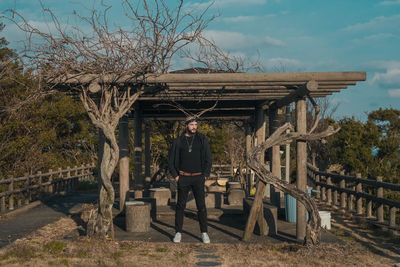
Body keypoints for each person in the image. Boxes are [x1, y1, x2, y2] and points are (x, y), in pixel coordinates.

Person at [168, 116, 212, 243]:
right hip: (183, 177)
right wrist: (176, 175)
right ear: (186, 125)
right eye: (192, 124)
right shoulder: (178, 141)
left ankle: (204, 233)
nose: (194, 127)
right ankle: (178, 232)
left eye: (196, 125)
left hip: (199, 177)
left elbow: (208, 159)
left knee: (201, 206)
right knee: (180, 206)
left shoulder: (202, 140)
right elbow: (170, 161)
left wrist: (205, 175)